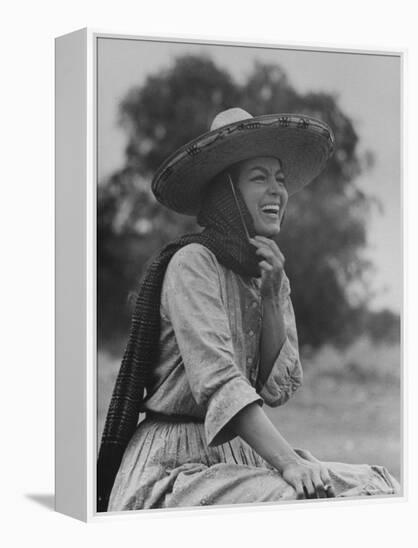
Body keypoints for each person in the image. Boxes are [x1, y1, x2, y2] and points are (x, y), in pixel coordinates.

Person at [97, 108, 400, 512]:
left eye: (280, 178)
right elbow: (221, 383)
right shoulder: (192, 263)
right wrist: (290, 463)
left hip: (237, 455)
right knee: (302, 499)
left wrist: (273, 296)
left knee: (377, 485)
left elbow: (276, 388)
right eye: (259, 177)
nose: (276, 190)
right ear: (228, 193)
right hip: (174, 465)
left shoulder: (268, 272)